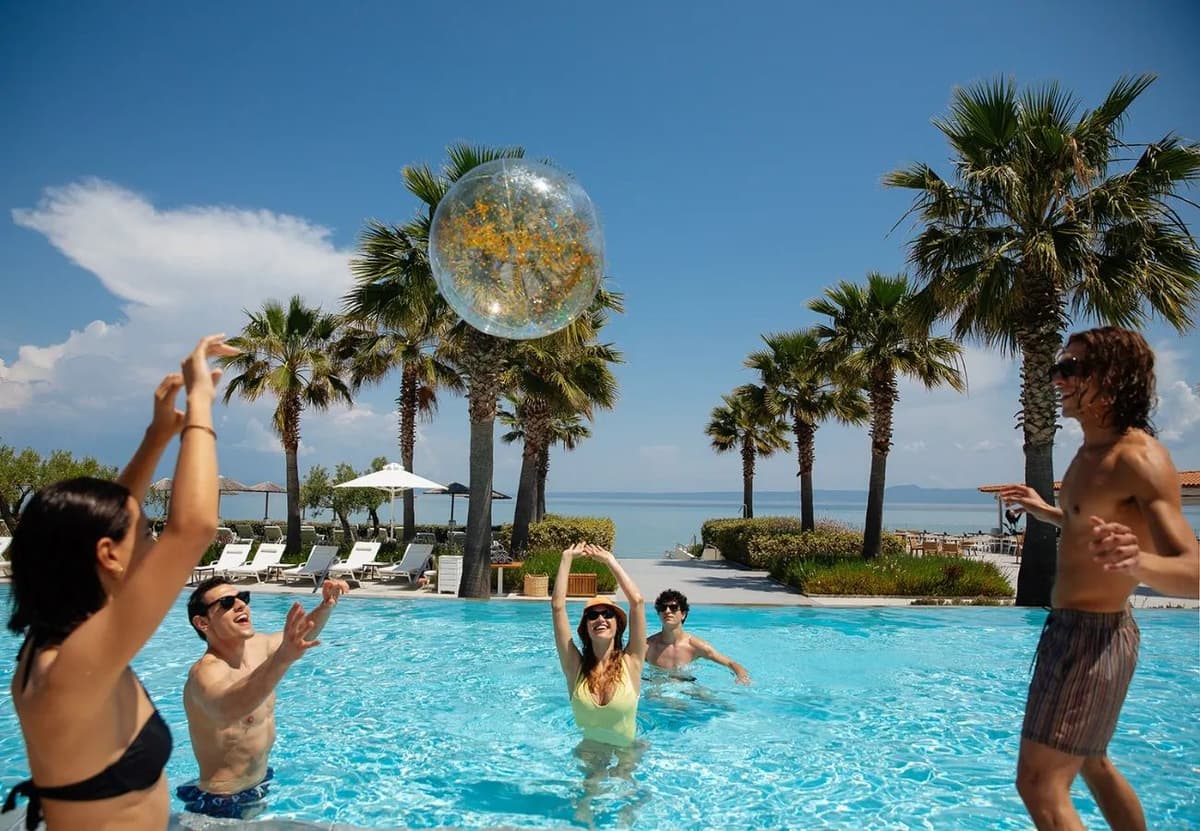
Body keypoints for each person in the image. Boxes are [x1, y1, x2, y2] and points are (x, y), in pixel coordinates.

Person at [2, 334, 234, 830]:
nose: (153, 548)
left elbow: (110, 521)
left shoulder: (61, 642)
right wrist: (200, 403)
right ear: (107, 557)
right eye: (147, 535)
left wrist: (156, 438)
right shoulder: (71, 667)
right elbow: (193, 528)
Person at [998, 326, 1199, 831]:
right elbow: (1086, 525)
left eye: (1070, 368)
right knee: (1092, 761)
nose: (1057, 378)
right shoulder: (1087, 456)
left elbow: (1194, 571)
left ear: (1112, 379)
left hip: (1095, 637)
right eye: (1057, 367)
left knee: (1040, 784)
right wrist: (1045, 510)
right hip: (1066, 629)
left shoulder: (1139, 459)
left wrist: (1142, 565)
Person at [179, 574, 351, 819]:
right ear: (202, 623)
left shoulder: (258, 646)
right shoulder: (205, 673)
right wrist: (283, 657)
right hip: (222, 800)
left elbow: (299, 637)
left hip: (258, 783)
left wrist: (326, 605)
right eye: (227, 603)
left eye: (243, 598)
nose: (241, 605)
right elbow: (229, 708)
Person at [551, 543, 648, 749]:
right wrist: (566, 558)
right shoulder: (574, 667)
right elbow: (558, 607)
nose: (600, 619)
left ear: (618, 624)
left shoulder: (632, 662)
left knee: (623, 781)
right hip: (589, 752)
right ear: (585, 627)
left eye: (608, 614)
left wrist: (610, 561)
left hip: (627, 753)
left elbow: (637, 602)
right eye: (593, 615)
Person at [646, 589, 751, 685]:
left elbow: (730, 663)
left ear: (683, 614)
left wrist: (741, 676)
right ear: (659, 614)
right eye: (663, 608)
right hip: (656, 688)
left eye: (673, 608)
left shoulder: (694, 645)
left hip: (687, 686)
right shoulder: (648, 646)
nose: (667, 611)